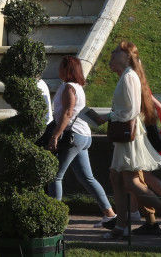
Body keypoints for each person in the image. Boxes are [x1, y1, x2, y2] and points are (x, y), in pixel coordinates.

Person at [106, 43, 161, 238]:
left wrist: (111, 117)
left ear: (127, 56)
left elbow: (131, 110)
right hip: (128, 134)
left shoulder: (129, 76)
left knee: (131, 182)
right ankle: (121, 226)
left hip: (129, 134)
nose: (113, 54)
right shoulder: (127, 75)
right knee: (117, 177)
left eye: (117, 51)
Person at [46, 55, 115, 223]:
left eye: (61, 66)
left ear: (66, 69)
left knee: (55, 176)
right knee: (87, 178)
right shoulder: (78, 87)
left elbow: (67, 113)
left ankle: (54, 217)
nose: (58, 70)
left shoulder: (68, 87)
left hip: (73, 136)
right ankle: (110, 214)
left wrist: (55, 135)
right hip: (83, 136)